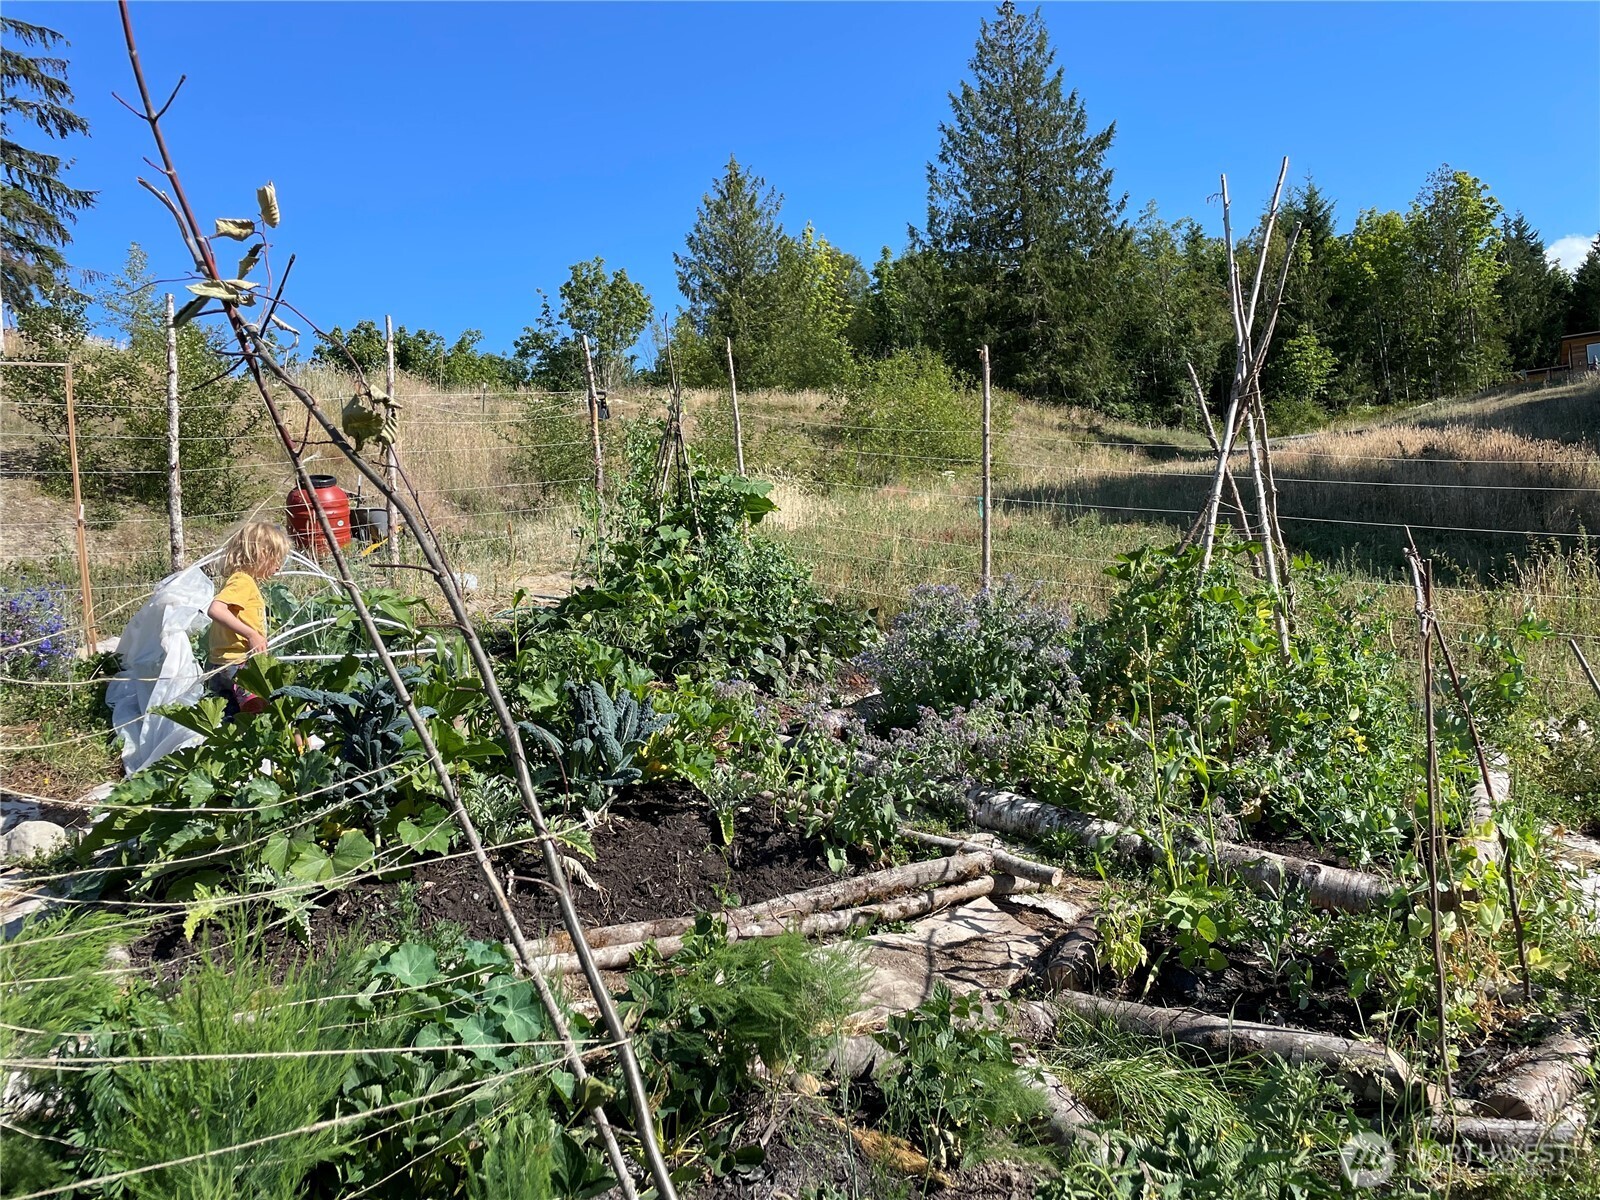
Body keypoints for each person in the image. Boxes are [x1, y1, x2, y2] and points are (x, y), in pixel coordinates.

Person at [205, 521, 291, 717]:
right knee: (259, 711)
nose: (278, 567)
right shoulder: (243, 581)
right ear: (261, 554)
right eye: (276, 559)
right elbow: (216, 609)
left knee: (231, 716)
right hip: (238, 664)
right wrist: (252, 634)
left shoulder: (240, 579)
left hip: (222, 663)